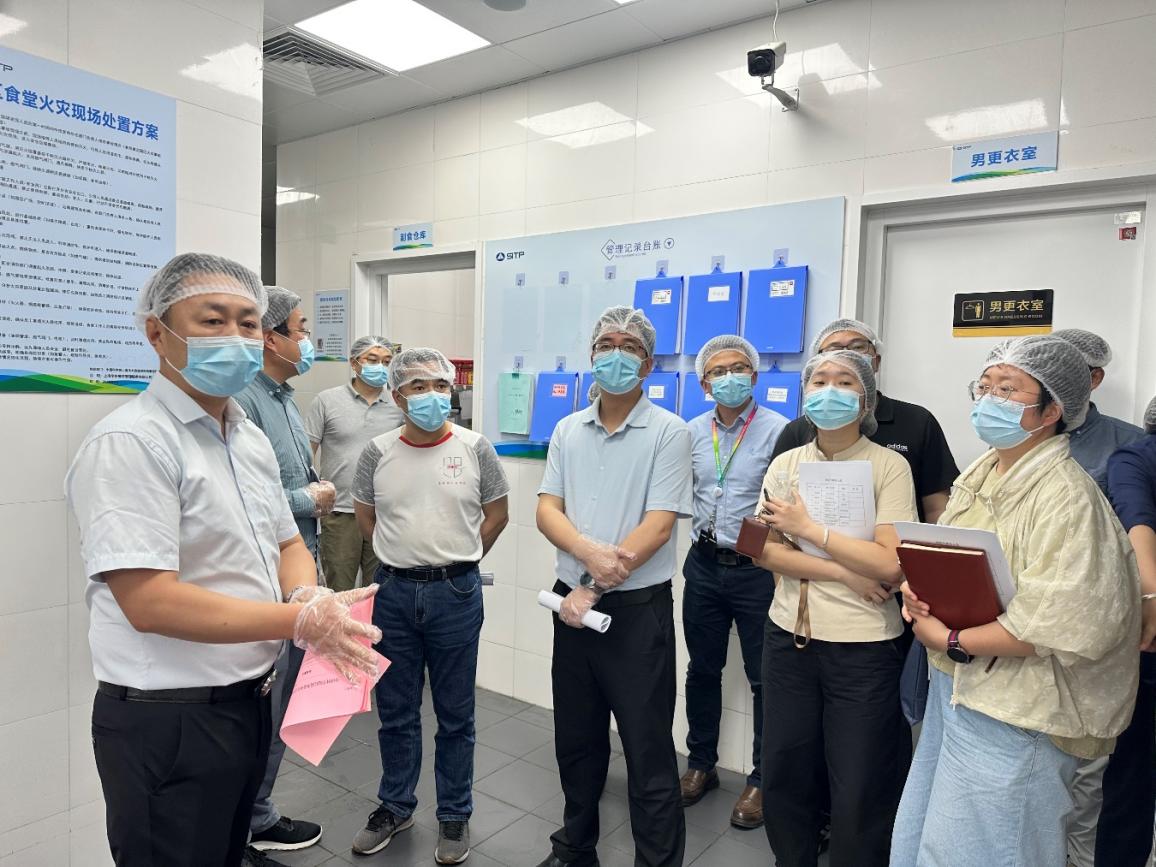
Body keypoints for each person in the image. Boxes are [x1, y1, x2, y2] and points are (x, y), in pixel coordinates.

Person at [65, 253, 381, 867]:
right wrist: (295, 621)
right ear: (157, 332)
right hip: (169, 720)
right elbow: (149, 601)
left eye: (248, 322)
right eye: (213, 321)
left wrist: (305, 593)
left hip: (245, 702)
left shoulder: (246, 436)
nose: (235, 337)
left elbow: (287, 542)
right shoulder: (132, 441)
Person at [892, 335, 1141, 867]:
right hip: (960, 690)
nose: (990, 400)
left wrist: (952, 639)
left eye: (1008, 390)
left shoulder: (1066, 497)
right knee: (926, 839)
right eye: (984, 387)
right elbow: (952, 554)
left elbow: (1064, 620)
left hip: (1020, 708)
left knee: (986, 849)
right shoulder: (983, 473)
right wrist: (920, 590)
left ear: (1053, 410)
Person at [535, 306, 693, 867]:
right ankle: (575, 848)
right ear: (591, 356)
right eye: (606, 344)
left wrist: (593, 585)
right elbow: (547, 510)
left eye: (630, 346)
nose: (616, 354)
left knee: (647, 749)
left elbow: (658, 525)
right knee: (576, 741)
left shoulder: (670, 432)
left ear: (647, 364)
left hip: (634, 614)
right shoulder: (567, 429)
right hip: (570, 606)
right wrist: (586, 563)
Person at [756, 349, 916, 867]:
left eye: (844, 381)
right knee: (785, 769)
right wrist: (846, 571)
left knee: (860, 781)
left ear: (865, 399)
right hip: (789, 638)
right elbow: (761, 550)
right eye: (819, 380)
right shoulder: (786, 463)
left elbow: (890, 564)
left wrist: (809, 531)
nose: (829, 390)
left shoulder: (889, 465)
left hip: (864, 648)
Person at [350, 348, 510, 865]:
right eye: (418, 387)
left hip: (455, 593)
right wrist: (404, 557)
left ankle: (454, 813)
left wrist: (458, 559)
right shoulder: (377, 452)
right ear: (398, 396)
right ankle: (395, 805)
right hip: (394, 593)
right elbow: (366, 518)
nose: (432, 395)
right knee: (396, 711)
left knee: (456, 713)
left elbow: (498, 513)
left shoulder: (475, 447)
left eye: (440, 385)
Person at [232, 286, 333, 860]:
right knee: (261, 712)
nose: (308, 339)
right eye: (300, 328)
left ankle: (257, 814)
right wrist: (308, 499)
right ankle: (243, 823)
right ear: (271, 338)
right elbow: (250, 500)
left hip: (298, 570)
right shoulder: (243, 402)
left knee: (280, 708)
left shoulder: (286, 399)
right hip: (264, 580)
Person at [679, 335, 787, 829]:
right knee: (702, 670)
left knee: (764, 678)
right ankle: (701, 763)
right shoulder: (691, 432)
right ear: (704, 383)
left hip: (757, 571)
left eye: (739, 368)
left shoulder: (779, 431)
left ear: (754, 376)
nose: (729, 378)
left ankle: (762, 779)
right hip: (703, 565)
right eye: (718, 371)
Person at [1049, 329, 1145, 867]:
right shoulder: (1014, 442)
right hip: (1026, 626)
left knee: (1091, 769)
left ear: (1094, 379)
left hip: (1098, 628)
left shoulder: (1126, 446)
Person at [771, 319, 958, 523]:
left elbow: (937, 508)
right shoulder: (795, 433)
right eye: (834, 349)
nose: (846, 355)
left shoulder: (916, 423)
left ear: (876, 360)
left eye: (858, 347)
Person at [1096, 396, 1156, 867]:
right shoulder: (1138, 458)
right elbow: (1138, 523)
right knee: (1133, 778)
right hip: (1148, 637)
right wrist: (1151, 593)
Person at [305, 335, 405, 593]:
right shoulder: (327, 401)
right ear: (354, 363)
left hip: (383, 511)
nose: (380, 366)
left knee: (380, 590)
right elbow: (306, 455)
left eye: (386, 361)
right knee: (340, 591)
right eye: (372, 360)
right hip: (340, 512)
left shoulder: (398, 406)